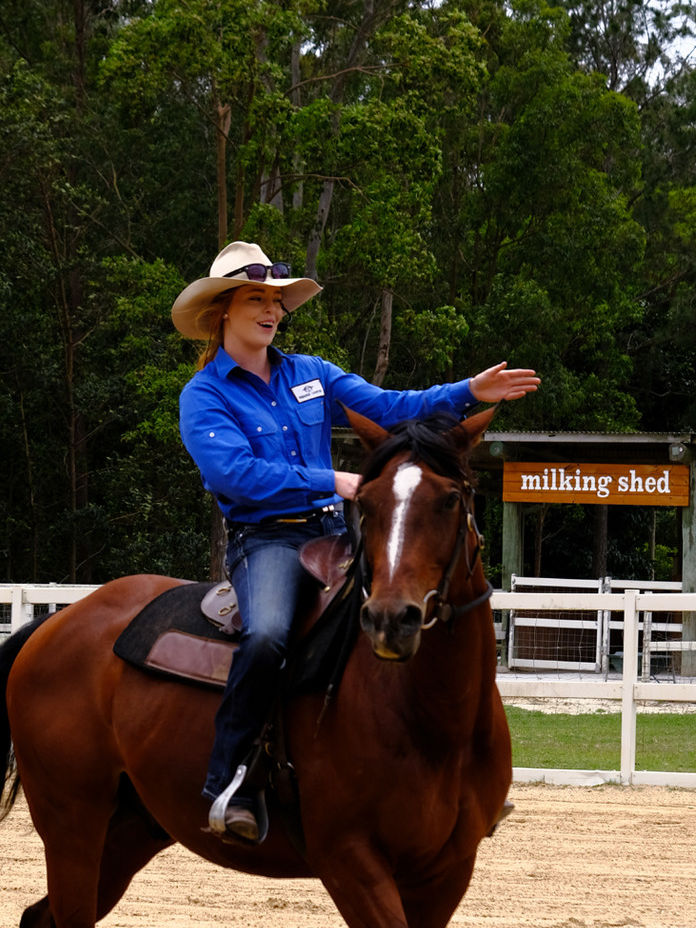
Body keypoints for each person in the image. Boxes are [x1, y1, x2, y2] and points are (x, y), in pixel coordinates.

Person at [173, 242, 539, 844]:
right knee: (266, 635)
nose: (270, 311)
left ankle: (458, 775)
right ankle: (228, 780)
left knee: (428, 611)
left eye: (275, 301)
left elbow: (395, 409)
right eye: (254, 300)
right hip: (267, 542)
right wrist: (331, 479)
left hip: (338, 537)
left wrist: (470, 391)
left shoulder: (312, 373)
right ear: (222, 313)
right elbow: (232, 474)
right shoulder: (205, 396)